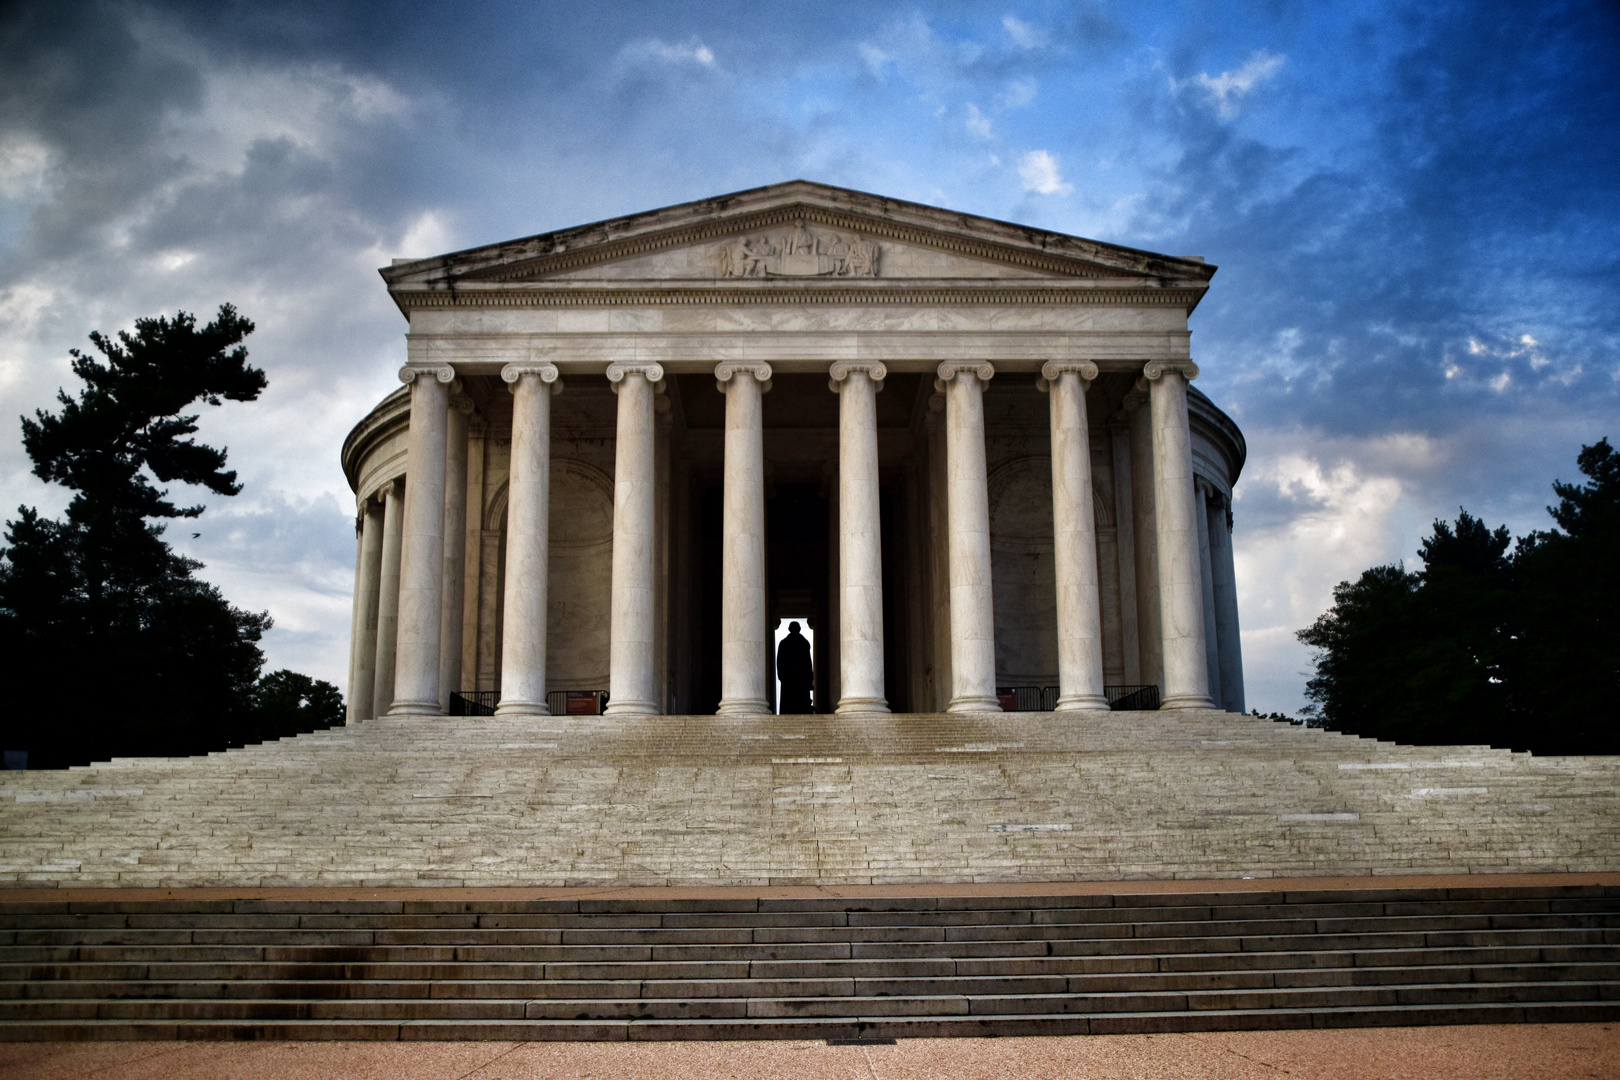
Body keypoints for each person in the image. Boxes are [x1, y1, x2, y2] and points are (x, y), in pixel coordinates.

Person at [776, 622, 814, 714]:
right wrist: (810, 679)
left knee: (788, 703)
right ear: (799, 629)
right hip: (801, 677)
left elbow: (779, 662)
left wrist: (781, 675)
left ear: (789, 629)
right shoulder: (804, 643)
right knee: (801, 703)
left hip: (788, 678)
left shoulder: (784, 643)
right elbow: (808, 663)